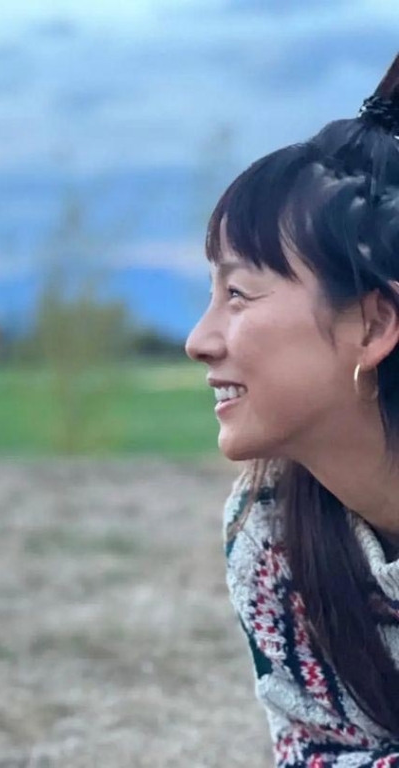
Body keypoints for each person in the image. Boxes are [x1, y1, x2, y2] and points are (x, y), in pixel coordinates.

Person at [185, 52, 399, 766]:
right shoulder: (272, 528)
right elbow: (313, 755)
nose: (198, 341)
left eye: (238, 294)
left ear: (371, 325)